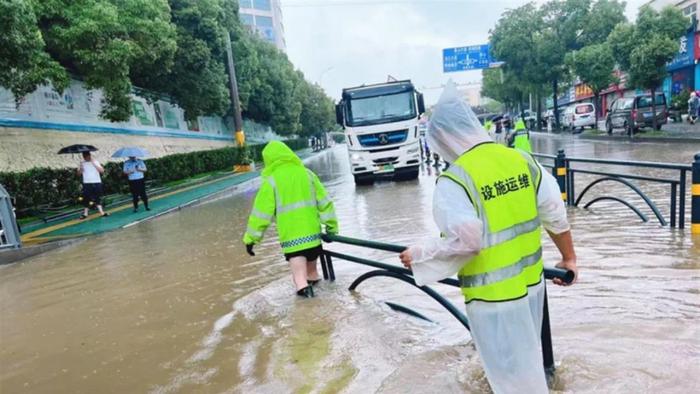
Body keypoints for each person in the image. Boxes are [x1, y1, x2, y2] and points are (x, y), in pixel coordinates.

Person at [398, 82, 577, 394]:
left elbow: (468, 242)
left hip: (493, 301)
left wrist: (420, 253)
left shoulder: (456, 180)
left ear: (443, 138)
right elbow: (554, 212)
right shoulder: (520, 159)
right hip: (532, 288)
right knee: (530, 367)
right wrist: (570, 259)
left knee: (511, 382)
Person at [243, 141, 339, 298]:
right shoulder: (307, 174)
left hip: (292, 241)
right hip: (313, 238)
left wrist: (251, 239)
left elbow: (260, 215)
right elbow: (325, 203)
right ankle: (321, 304)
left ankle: (309, 313)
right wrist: (332, 229)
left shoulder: (272, 181)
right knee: (313, 274)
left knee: (300, 280)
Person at [77, 151, 108, 219]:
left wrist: (93, 163)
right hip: (87, 183)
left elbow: (102, 171)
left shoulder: (95, 161)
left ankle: (102, 212)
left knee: (97, 197)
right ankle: (85, 214)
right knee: (86, 198)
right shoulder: (82, 163)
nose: (85, 157)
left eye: (87, 156)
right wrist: (81, 169)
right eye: (84, 156)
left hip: (96, 182)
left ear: (90, 155)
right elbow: (78, 174)